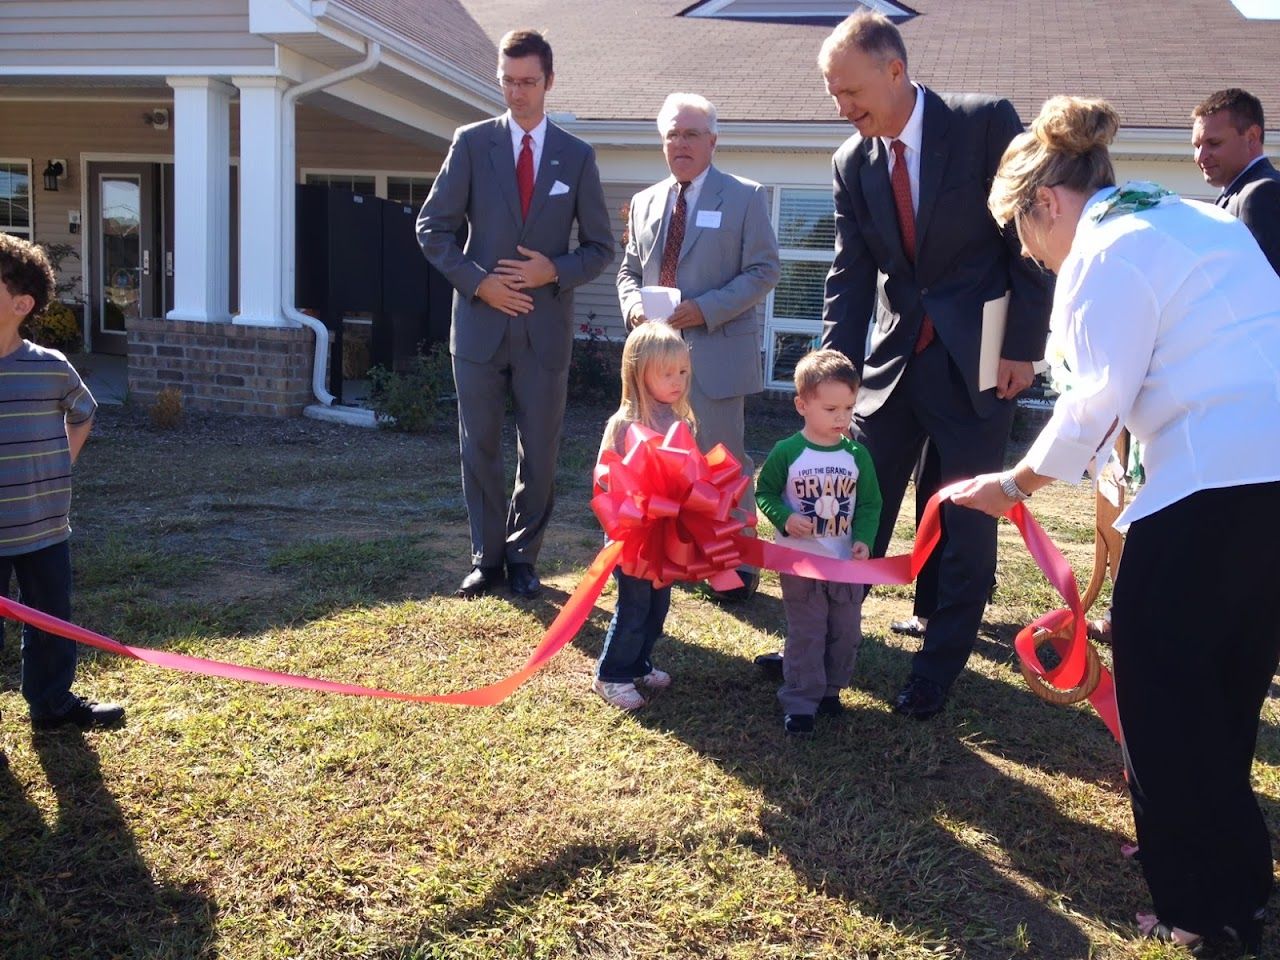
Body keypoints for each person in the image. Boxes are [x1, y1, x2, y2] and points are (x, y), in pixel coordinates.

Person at [952, 95, 1280, 956]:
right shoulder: (1189, 218)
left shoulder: (1104, 250)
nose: (1034, 259)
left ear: (1047, 204)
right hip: (1270, 487)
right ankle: (1240, 892)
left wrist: (1013, 484)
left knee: (1164, 704)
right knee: (1226, 702)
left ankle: (1195, 912)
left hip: (1209, 487)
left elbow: (1095, 399)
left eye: (1027, 241)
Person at [817, 11, 1052, 719]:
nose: (842, 108)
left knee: (966, 522)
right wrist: (834, 367)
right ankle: (827, 643)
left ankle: (938, 667)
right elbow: (848, 275)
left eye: (851, 91)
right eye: (833, 94)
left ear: (895, 71)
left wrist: (1022, 345)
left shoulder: (983, 124)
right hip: (892, 365)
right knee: (860, 503)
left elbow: (1028, 235)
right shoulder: (850, 162)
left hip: (978, 361)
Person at [417, 28, 614, 600]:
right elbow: (432, 229)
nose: (517, 92)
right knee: (478, 442)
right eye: (508, 80)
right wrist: (481, 285)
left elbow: (601, 247)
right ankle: (487, 556)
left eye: (528, 82)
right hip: (479, 327)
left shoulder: (576, 157)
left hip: (544, 330)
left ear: (549, 81)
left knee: (542, 448)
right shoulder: (472, 143)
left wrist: (551, 270)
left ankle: (525, 555)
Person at [616, 92, 781, 601]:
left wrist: (704, 308)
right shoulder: (645, 201)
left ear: (713, 140)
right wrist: (634, 310)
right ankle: (667, 555)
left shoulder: (745, 196)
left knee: (723, 462)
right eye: (672, 134)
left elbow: (764, 270)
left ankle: (733, 566)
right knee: (657, 463)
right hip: (653, 362)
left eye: (691, 134)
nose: (680, 144)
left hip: (715, 352)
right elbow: (628, 271)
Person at [0, 234, 125, 736]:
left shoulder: (49, 368)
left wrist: (60, 464)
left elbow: (84, 412)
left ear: (20, 304)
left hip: (45, 528)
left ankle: (52, 704)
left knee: (51, 620)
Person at [756, 350, 881, 735]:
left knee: (846, 630)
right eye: (830, 409)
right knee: (808, 630)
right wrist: (785, 517)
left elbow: (870, 503)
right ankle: (800, 700)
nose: (842, 418)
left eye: (848, 407)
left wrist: (863, 539)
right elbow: (766, 493)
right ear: (802, 405)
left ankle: (830, 690)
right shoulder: (787, 452)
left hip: (844, 564)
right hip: (801, 565)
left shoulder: (857, 455)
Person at [592, 324, 695, 711]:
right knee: (633, 606)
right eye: (666, 373)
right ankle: (611, 675)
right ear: (638, 373)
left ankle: (638, 663)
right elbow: (605, 478)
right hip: (633, 539)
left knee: (657, 607)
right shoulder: (623, 424)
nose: (678, 381)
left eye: (683, 372)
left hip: (664, 539)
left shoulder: (680, 422)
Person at [1192, 88, 1280, 275]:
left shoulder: (1260, 194)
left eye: (1213, 143)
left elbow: (1262, 282)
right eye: (1197, 146)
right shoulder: (1236, 194)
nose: (1201, 157)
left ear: (1251, 138)